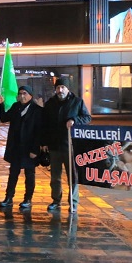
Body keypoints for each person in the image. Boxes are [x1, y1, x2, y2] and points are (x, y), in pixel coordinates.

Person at [40, 77, 91, 212]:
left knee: (72, 176)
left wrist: (74, 120)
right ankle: (56, 200)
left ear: (68, 89)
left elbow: (87, 117)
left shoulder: (77, 102)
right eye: (58, 87)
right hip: (54, 146)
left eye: (62, 87)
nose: (60, 90)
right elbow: (44, 124)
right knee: (55, 177)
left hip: (70, 146)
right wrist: (44, 141)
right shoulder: (50, 103)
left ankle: (73, 202)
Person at [0, 85, 43, 210]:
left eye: (25, 93)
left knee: (30, 174)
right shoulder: (16, 107)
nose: (22, 96)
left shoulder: (37, 110)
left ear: (30, 95)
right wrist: (0, 104)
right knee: (13, 173)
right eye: (20, 93)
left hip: (29, 148)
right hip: (16, 147)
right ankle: (9, 197)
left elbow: (39, 132)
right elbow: (4, 118)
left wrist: (35, 150)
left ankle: (28, 199)